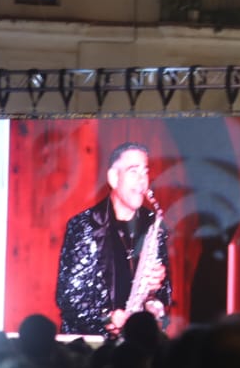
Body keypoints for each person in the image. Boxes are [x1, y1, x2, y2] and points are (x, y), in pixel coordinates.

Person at [55, 142, 171, 337]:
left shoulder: (154, 225)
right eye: (133, 172)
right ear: (113, 178)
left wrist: (158, 285)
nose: (143, 180)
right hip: (91, 347)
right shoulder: (85, 225)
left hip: (137, 344)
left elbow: (165, 294)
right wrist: (106, 317)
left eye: (145, 171)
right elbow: (68, 298)